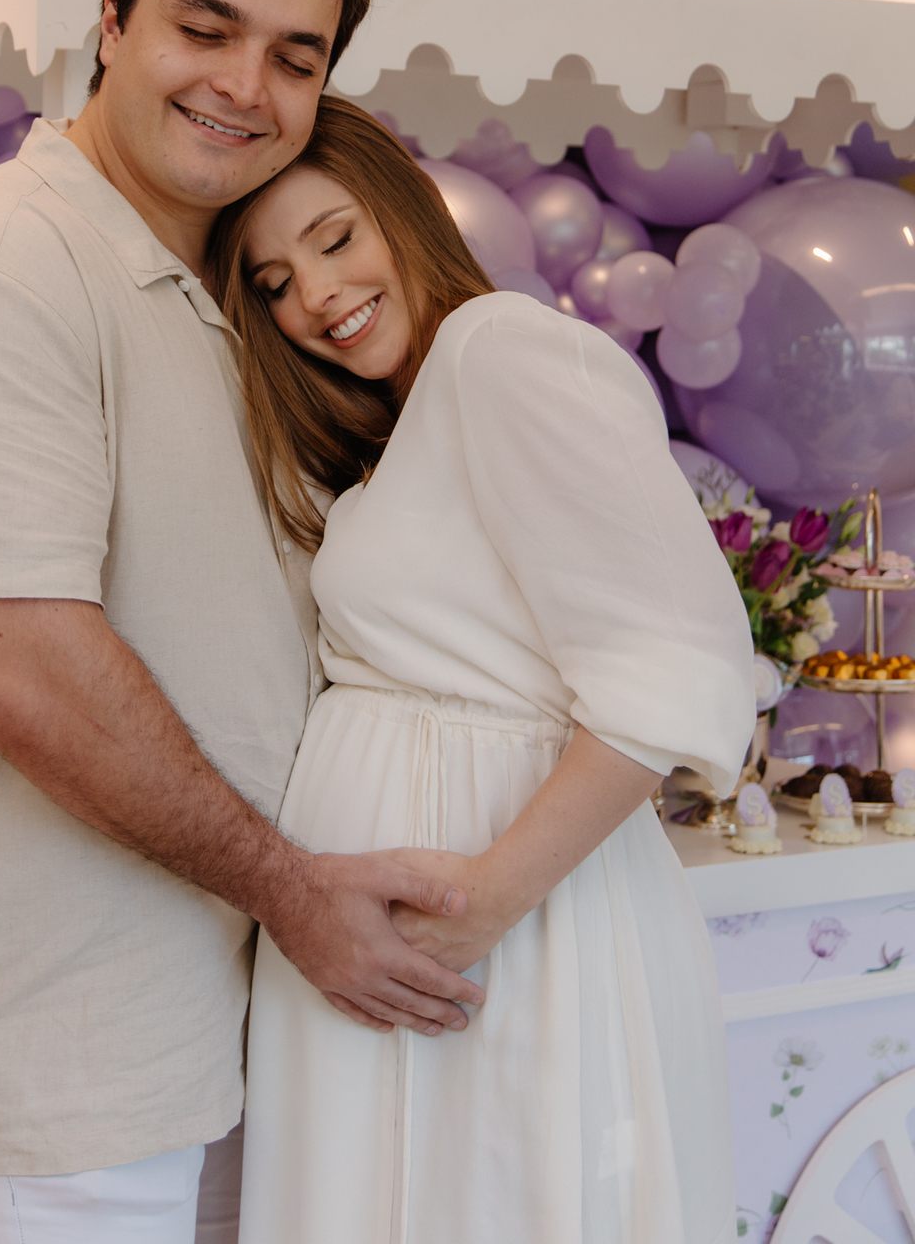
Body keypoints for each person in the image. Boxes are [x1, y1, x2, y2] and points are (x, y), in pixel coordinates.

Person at [0, 0, 485, 1244]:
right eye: (207, 27)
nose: (246, 85)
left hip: (245, 1023)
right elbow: (21, 668)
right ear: (114, 22)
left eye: (296, 57)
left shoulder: (241, 294)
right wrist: (296, 894)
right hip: (64, 1061)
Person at [207, 97, 757, 1244]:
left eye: (335, 239)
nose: (317, 296)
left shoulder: (497, 347)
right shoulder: (399, 430)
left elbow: (672, 660)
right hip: (404, 941)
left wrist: (487, 900)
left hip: (504, 921)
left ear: (405, 214)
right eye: (274, 282)